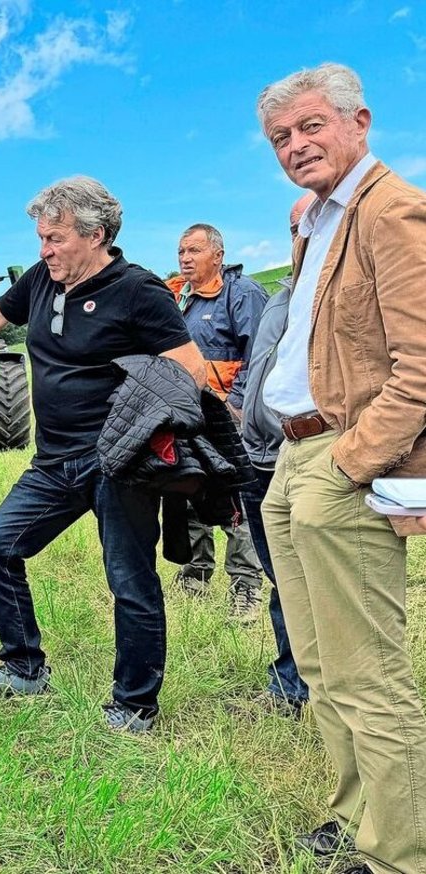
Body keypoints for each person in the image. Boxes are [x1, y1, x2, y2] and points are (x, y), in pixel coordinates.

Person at [0, 176, 205, 733]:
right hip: (54, 461)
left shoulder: (139, 290)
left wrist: (145, 425)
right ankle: (24, 667)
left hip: (118, 462)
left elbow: (190, 370)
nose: (44, 250)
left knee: (129, 579)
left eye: (56, 238)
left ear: (96, 235)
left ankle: (135, 704)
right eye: (41, 237)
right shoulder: (42, 280)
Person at [257, 63, 426, 874]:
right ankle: (356, 817)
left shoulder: (392, 210)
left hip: (340, 456)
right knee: (322, 665)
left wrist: (357, 464)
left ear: (360, 121)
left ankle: (400, 854)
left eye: (312, 127)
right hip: (292, 456)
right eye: (283, 138)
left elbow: (420, 368)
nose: (297, 146)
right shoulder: (319, 219)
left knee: (370, 676)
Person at [165, 224, 269, 619]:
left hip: (228, 418)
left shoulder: (242, 295)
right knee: (191, 490)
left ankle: (246, 585)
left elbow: (260, 353)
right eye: (181, 252)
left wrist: (238, 404)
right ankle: (195, 574)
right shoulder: (180, 297)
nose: (185, 258)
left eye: (194, 250)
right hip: (187, 414)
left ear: (218, 255)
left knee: (234, 499)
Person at [238, 196, 316, 716]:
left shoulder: (342, 295)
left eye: (314, 223)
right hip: (259, 459)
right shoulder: (281, 295)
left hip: (305, 454)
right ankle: (293, 684)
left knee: (310, 579)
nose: (303, 238)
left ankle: (304, 688)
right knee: (284, 578)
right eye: (295, 227)